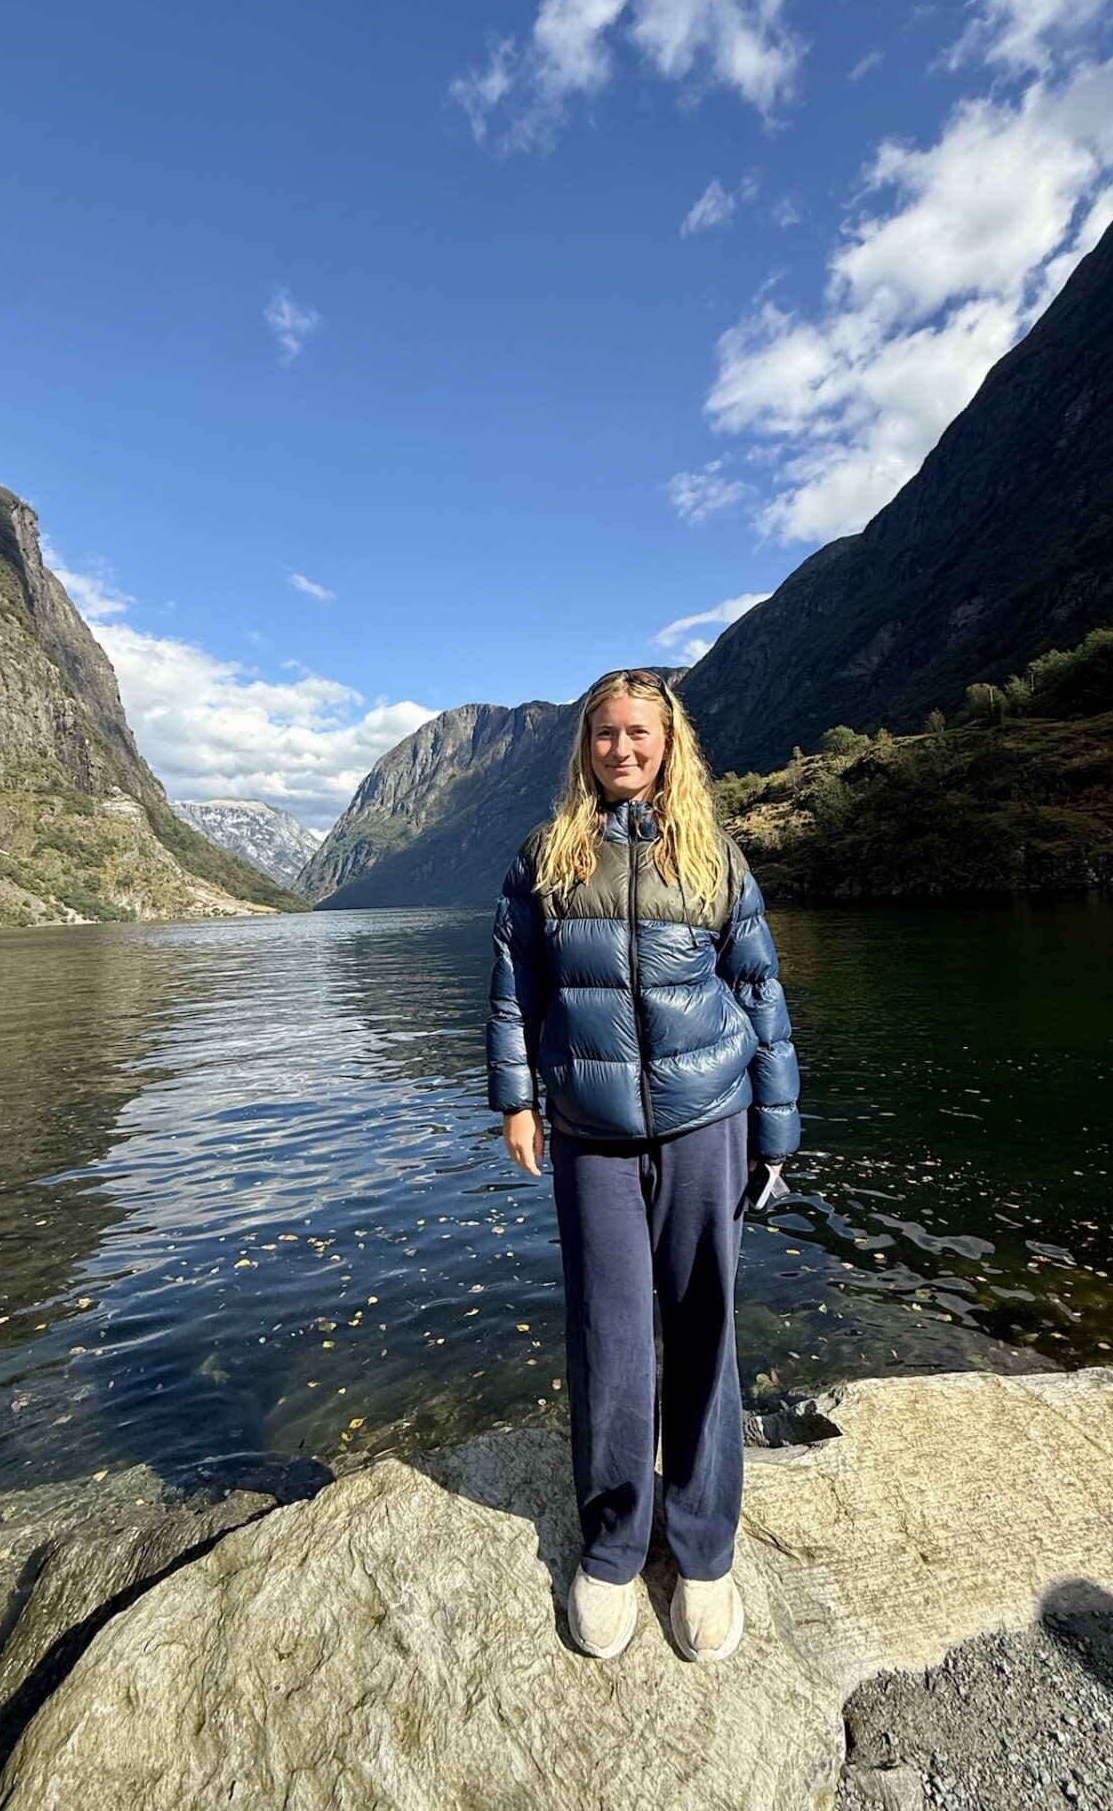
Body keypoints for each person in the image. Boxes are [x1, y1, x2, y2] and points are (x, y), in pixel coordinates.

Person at [484, 666, 800, 1664]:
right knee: (609, 1338)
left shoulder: (710, 854)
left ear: (669, 745)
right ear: (585, 746)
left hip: (709, 1120)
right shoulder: (548, 856)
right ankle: (615, 1547)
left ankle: (704, 1552)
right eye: (605, 733)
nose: (622, 749)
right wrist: (518, 1101)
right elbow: (514, 986)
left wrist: (775, 1131)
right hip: (591, 1131)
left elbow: (759, 992)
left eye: (639, 733)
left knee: (704, 1326)